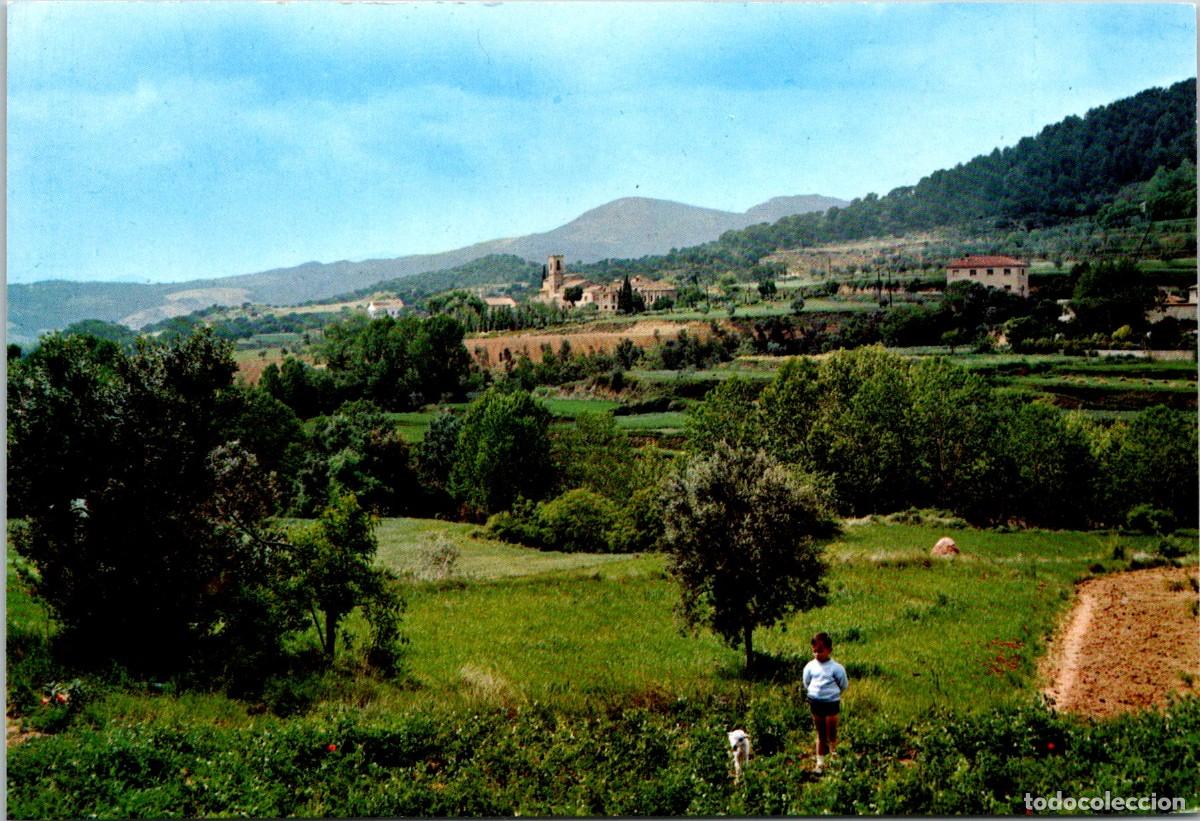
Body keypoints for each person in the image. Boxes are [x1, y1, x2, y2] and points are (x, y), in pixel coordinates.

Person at [802, 631, 848, 773]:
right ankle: (820, 763)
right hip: (816, 703)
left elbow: (843, 684)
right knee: (820, 734)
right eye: (814, 651)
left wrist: (832, 694)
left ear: (829, 650)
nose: (817, 654)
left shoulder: (836, 668)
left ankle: (834, 759)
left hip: (831, 703)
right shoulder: (810, 667)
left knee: (831, 732)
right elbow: (806, 682)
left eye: (820, 651)